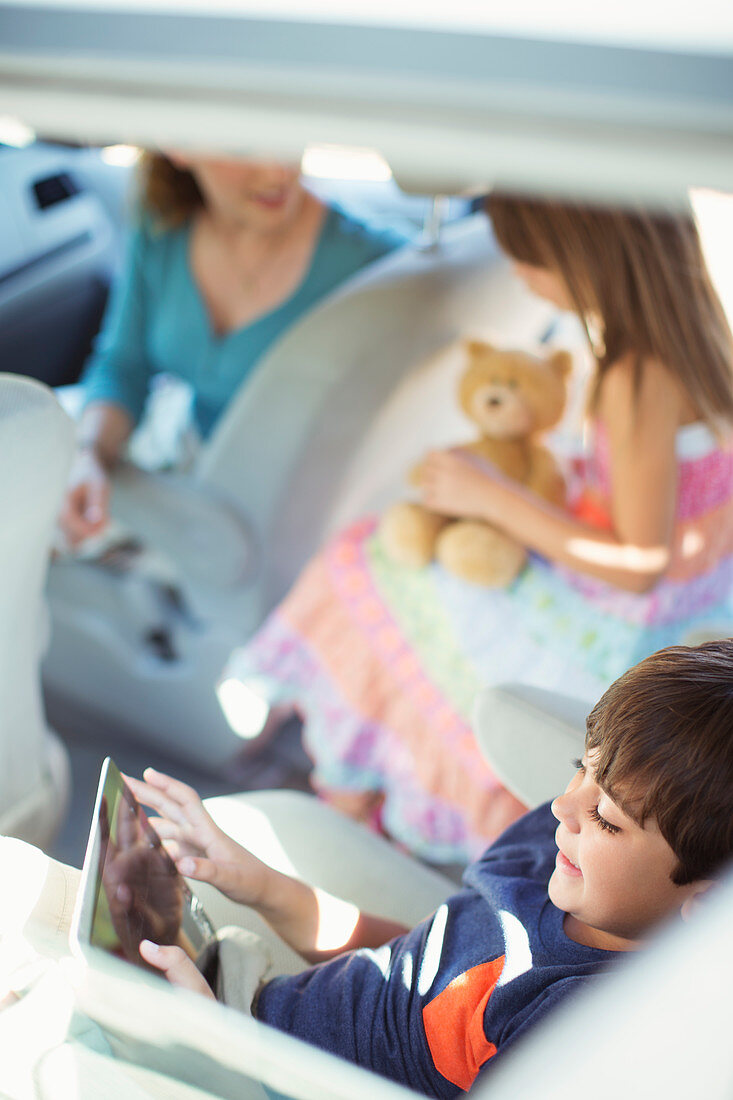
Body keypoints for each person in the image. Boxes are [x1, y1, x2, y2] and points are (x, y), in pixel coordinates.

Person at [225, 191, 733, 863]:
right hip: (694, 599)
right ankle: (355, 795)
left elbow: (636, 563)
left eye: (528, 259)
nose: (518, 274)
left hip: (623, 621)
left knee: (363, 562)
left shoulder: (638, 373)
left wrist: (491, 497)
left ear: (584, 257)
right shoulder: (700, 333)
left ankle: (348, 800)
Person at [127, 641, 733, 1098]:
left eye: (607, 818)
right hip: (247, 1001)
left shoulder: (580, 1027)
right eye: (582, 767)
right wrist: (259, 884)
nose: (563, 806)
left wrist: (210, 1051)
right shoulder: (549, 857)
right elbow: (419, 961)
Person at [59, 151, 408, 545]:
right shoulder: (162, 225)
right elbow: (124, 365)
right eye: (245, 145)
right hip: (186, 467)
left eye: (288, 135)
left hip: (289, 517)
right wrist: (90, 456)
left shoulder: (377, 263)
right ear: (179, 146)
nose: (277, 169)